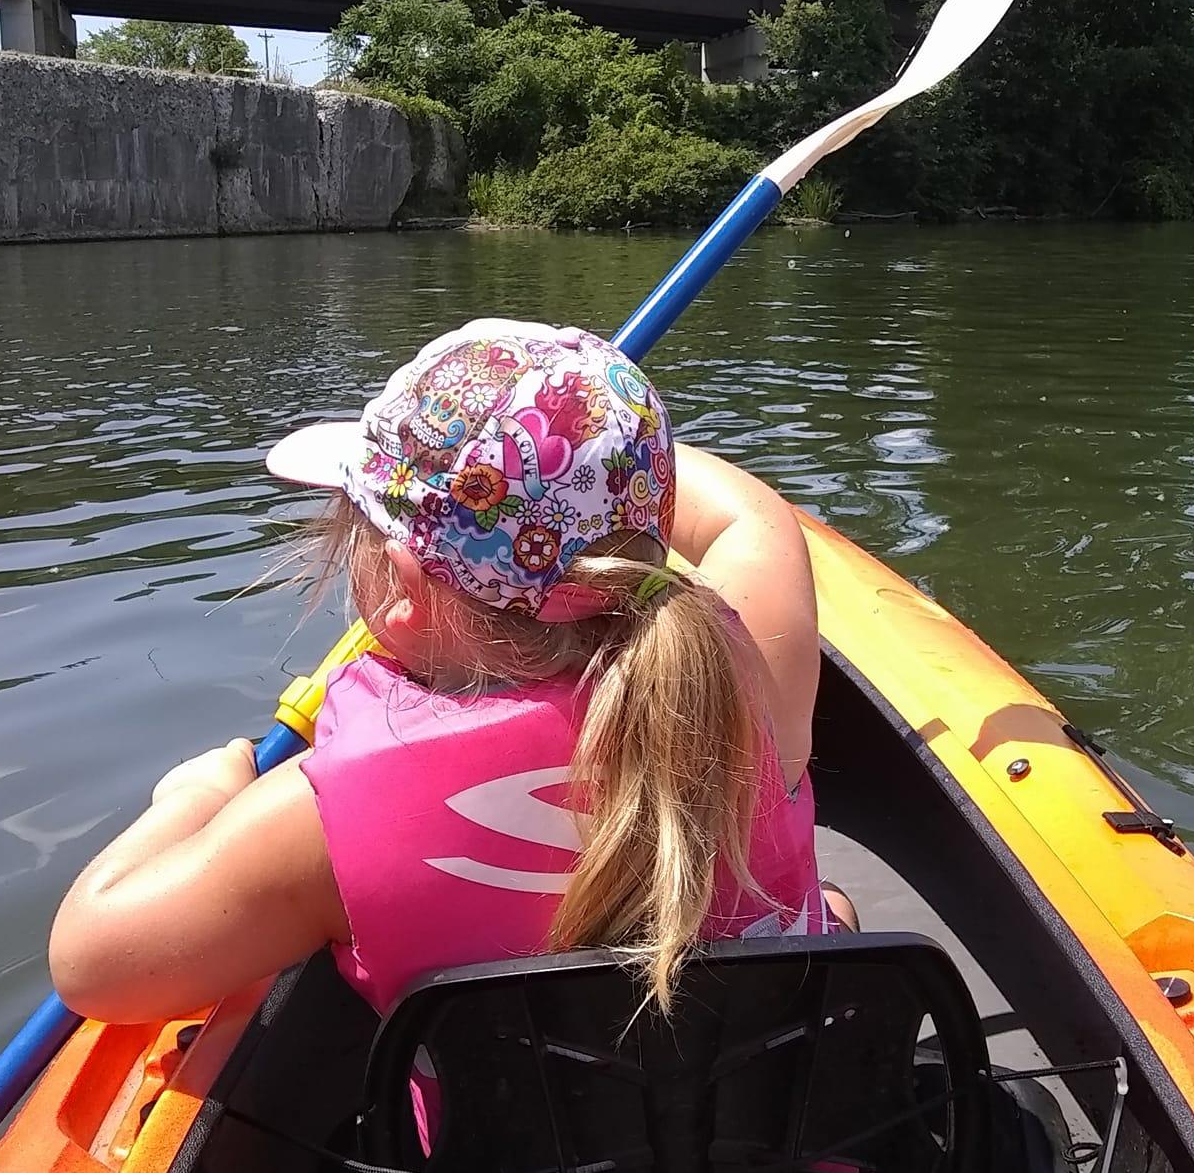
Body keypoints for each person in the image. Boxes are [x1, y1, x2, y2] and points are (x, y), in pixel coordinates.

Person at [50, 319, 848, 1026]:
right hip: (779, 1126)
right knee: (834, 911)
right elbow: (750, 514)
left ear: (400, 585)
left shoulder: (323, 820)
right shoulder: (753, 675)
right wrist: (605, 454)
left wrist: (198, 796)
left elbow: (91, 965)